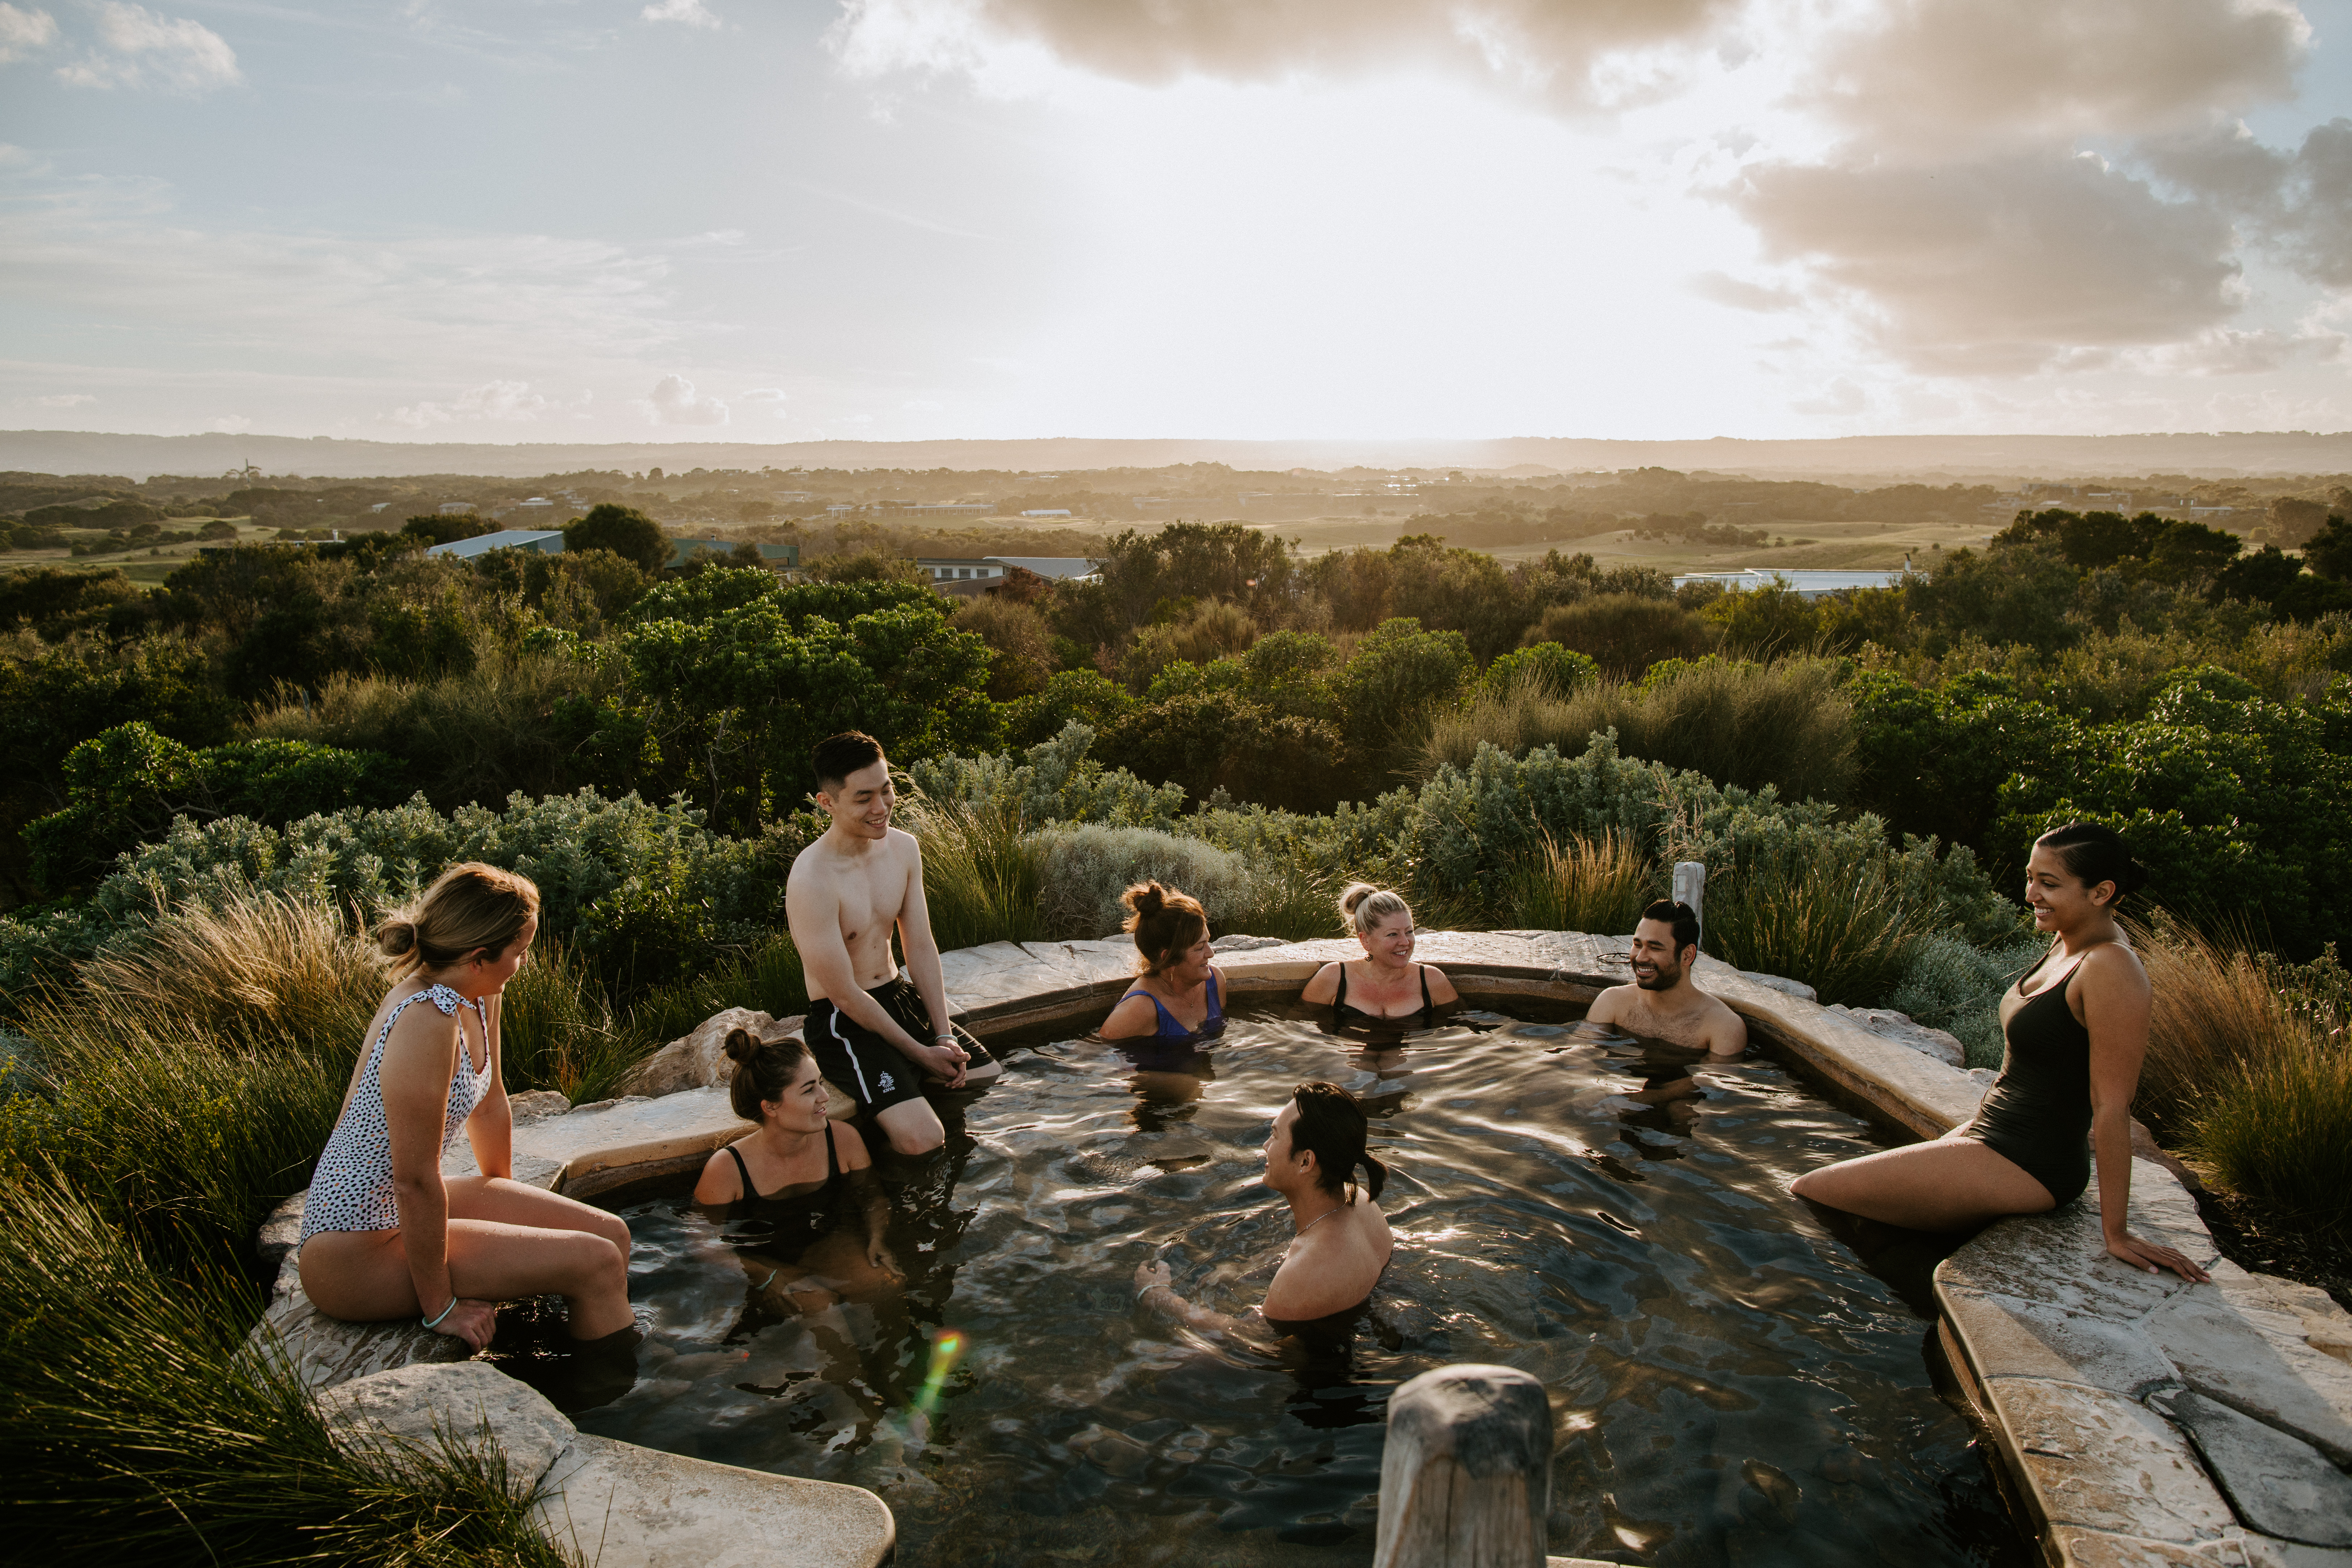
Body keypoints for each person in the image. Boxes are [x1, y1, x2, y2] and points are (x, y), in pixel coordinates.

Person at [1790, 823, 2209, 1282]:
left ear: (2101, 892)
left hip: (2028, 1160)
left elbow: (2112, 1104)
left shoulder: (2111, 967)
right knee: (1875, 1218)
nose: (2031, 893)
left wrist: (2117, 1232)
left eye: (2049, 884)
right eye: (2030, 877)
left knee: (1809, 1189)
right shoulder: (2066, 939)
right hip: (1992, 1133)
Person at [299, 863, 635, 1353]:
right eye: (520, 951)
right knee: (597, 1263)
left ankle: (584, 1329)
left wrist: (506, 1205)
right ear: (480, 956)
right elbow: (413, 1181)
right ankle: (612, 1396)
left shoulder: (478, 994)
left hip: (399, 1214)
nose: (523, 962)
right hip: (354, 1249)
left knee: (613, 1235)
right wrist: (441, 1307)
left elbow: (491, 1102)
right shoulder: (425, 1020)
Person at [788, 730, 1001, 1157]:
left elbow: (919, 946)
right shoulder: (812, 878)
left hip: (897, 996)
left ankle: (903, 1094)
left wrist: (941, 1035)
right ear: (826, 802)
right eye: (864, 797)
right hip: (843, 1022)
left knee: (987, 1075)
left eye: (886, 790)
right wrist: (920, 1055)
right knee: (923, 1140)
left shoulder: (903, 849)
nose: (881, 807)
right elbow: (844, 994)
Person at [1131, 1081, 1393, 1337]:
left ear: (1306, 1161)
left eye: (1275, 1135)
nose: (1266, 1146)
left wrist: (1162, 1297)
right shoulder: (1360, 1202)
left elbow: (1251, 1336)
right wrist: (1249, 1268)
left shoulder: (1303, 1273)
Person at [693, 1028, 900, 1313]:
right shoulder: (728, 1168)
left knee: (885, 1284)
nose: (825, 1096)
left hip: (825, 1243)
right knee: (819, 1305)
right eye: (809, 1089)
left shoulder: (842, 1139)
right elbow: (703, 1245)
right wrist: (763, 1273)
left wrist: (878, 1238)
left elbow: (873, 1198)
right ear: (771, 1106)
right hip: (762, 1261)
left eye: (821, 1083)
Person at [1584, 899, 1748, 1060]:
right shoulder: (1612, 1001)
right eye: (1638, 945)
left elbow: (1708, 1084)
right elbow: (1580, 1057)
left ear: (1687, 955)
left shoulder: (1723, 1026)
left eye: (1655, 948)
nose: (1640, 958)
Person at [1299, 883, 1461, 1029]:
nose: (1405, 942)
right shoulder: (1334, 977)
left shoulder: (1431, 980)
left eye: (1409, 932)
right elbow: (1300, 1030)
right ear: (1365, 940)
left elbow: (1459, 1030)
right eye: (1392, 935)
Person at [1100, 881, 1230, 1043]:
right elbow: (1102, 1060)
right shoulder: (1140, 1008)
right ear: (1169, 958)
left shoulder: (1215, 981)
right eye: (1199, 948)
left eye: (1208, 942)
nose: (1211, 954)